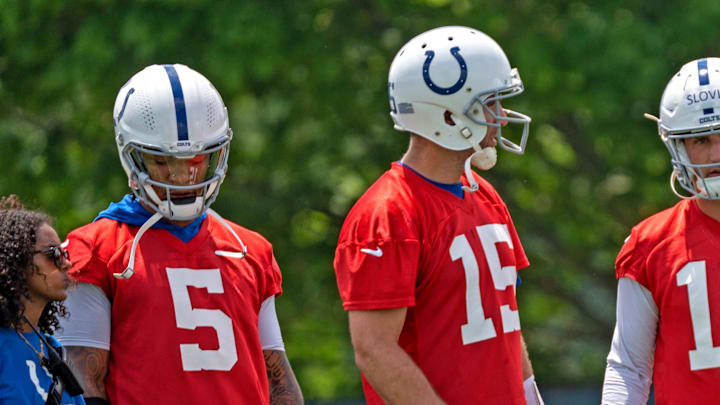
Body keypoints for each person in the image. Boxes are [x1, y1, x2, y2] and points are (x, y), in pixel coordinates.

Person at [55, 64, 303, 405]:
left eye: (196, 159)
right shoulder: (95, 249)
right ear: (133, 156)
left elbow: (279, 382)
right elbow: (84, 387)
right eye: (162, 161)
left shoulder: (249, 249)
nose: (182, 175)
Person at [333, 26, 544, 405]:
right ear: (447, 116)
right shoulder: (389, 214)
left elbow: (504, 321)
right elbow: (373, 350)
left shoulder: (484, 194)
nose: (502, 116)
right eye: (490, 103)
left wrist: (529, 394)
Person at [601, 57, 720, 405]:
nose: (716, 153)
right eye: (700, 140)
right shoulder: (651, 244)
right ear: (677, 147)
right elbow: (629, 368)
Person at [0, 194, 85, 405]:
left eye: (65, 253)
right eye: (53, 254)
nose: (66, 263)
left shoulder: (55, 350)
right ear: (16, 260)